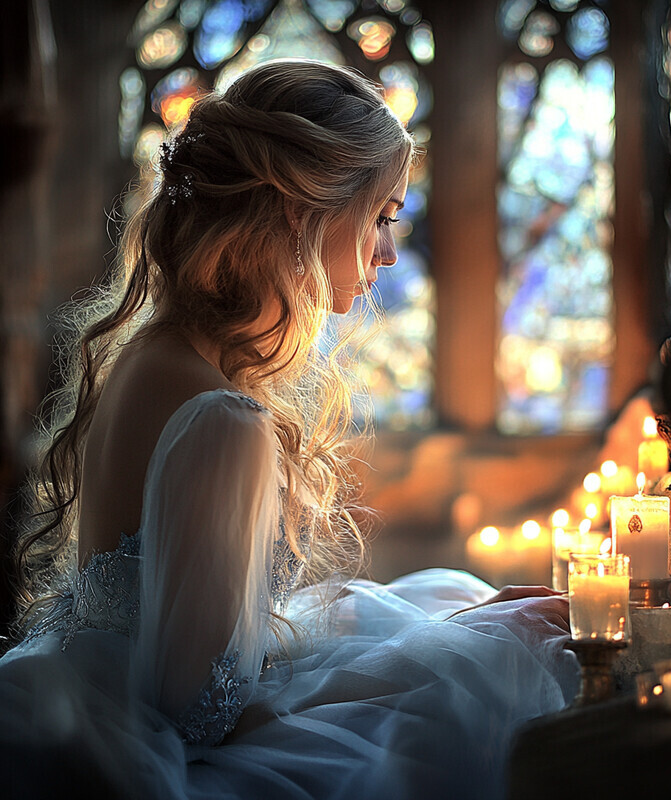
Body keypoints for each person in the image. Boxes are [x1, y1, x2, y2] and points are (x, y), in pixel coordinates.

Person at [0, 59, 578, 799]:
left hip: (92, 699)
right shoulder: (221, 418)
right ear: (303, 214)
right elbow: (201, 711)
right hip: (156, 753)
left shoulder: (154, 352)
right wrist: (435, 657)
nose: (389, 252)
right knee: (493, 669)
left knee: (451, 599)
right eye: (382, 216)